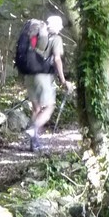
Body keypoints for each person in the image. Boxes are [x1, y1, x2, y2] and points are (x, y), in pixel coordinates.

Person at [25, 14, 71, 151]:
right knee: (49, 107)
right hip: (42, 76)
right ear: (57, 27)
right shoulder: (56, 39)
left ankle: (34, 143)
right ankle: (33, 130)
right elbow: (57, 59)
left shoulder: (36, 35)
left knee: (36, 109)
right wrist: (63, 80)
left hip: (29, 74)